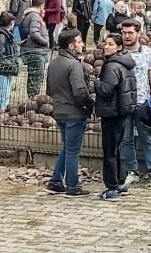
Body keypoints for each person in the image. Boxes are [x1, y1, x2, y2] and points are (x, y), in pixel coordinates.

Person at [119, 19, 151, 188]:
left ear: (138, 33)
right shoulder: (118, 54)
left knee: (146, 138)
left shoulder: (148, 53)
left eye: (130, 32)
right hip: (123, 104)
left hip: (142, 103)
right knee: (126, 139)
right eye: (124, 33)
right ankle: (132, 171)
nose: (126, 36)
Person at [45, 29, 93, 197]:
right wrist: (89, 105)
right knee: (73, 151)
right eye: (79, 42)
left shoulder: (53, 63)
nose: (82, 45)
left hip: (59, 111)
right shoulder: (74, 65)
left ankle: (56, 182)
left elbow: (49, 89)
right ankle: (72, 186)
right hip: (74, 112)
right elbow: (80, 90)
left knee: (66, 149)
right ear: (72, 45)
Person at [93, 33, 136, 200]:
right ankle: (121, 182)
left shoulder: (112, 66)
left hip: (111, 112)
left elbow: (105, 90)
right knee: (118, 149)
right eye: (105, 43)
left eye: (110, 44)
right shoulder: (127, 63)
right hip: (122, 111)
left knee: (110, 150)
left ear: (119, 47)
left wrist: (95, 81)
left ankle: (112, 186)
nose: (106, 46)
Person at [19, 0, 49, 99]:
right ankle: (33, 99)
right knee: (36, 76)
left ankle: (32, 98)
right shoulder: (35, 16)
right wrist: (45, 42)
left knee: (33, 76)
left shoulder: (27, 15)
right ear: (41, 6)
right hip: (36, 50)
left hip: (31, 49)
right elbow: (34, 33)